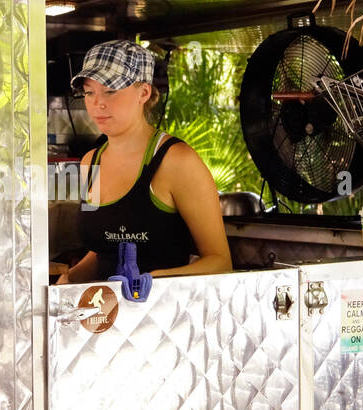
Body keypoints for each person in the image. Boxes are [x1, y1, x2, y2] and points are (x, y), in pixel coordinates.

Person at [58, 39, 232, 283]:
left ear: (144, 92)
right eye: (89, 92)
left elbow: (220, 262)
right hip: (102, 315)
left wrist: (149, 281)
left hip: (163, 315)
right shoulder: (90, 162)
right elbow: (101, 251)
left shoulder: (177, 161)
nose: (98, 103)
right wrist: (66, 284)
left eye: (110, 90)